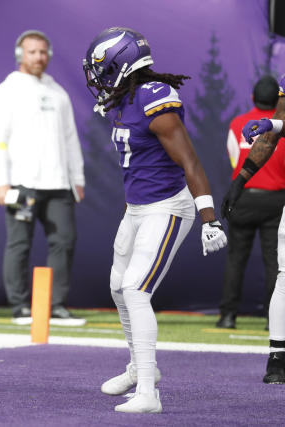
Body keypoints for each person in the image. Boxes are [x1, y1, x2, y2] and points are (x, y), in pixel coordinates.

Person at [83, 27, 227, 413]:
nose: (96, 78)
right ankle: (139, 368)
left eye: (100, 68)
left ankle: (148, 392)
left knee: (136, 290)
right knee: (117, 287)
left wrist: (209, 218)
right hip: (137, 209)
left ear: (119, 65)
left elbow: (190, 161)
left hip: (168, 208)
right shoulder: (125, 97)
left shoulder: (153, 100)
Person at [0, 30, 86, 327]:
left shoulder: (58, 93)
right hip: (22, 186)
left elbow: (70, 140)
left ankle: (55, 306)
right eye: (32, 52)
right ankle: (20, 307)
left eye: (43, 52)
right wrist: (1, 182)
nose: (38, 57)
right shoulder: (6, 92)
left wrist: (76, 178)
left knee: (64, 241)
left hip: (58, 187)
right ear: (20, 55)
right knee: (20, 243)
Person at [226, 73, 285, 384]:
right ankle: (277, 360)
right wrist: (241, 178)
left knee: (248, 259)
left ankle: (228, 314)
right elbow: (277, 129)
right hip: (277, 197)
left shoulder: (240, 120)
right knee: (283, 273)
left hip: (265, 198)